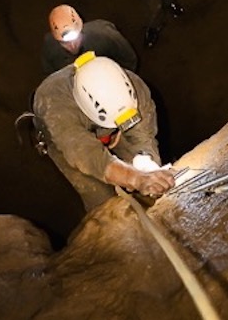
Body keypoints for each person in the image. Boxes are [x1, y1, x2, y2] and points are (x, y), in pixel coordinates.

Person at [31, 52, 175, 210]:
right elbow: (89, 157)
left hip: (115, 132)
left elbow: (143, 138)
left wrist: (148, 168)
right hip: (69, 144)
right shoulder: (55, 107)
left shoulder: (133, 87)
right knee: (102, 201)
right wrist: (134, 178)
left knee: (149, 183)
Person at [42, 3, 138, 75]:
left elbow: (129, 59)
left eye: (75, 39)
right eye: (65, 43)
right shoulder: (51, 46)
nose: (72, 46)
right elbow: (51, 74)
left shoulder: (105, 35)